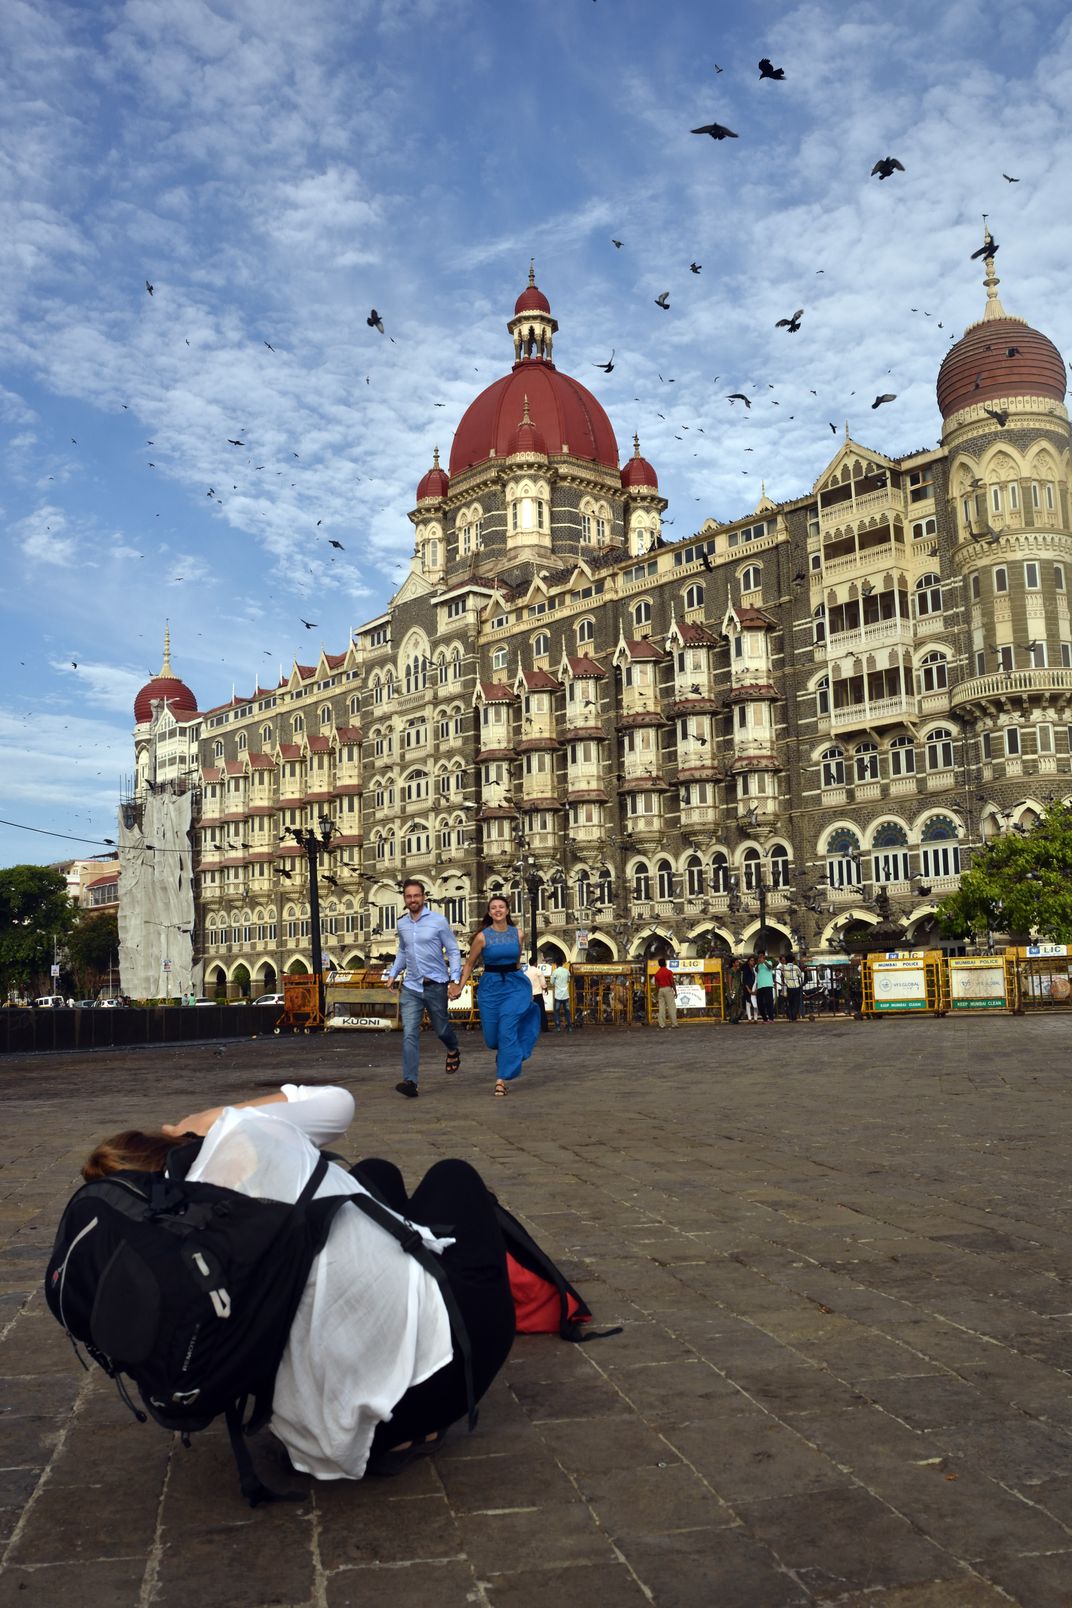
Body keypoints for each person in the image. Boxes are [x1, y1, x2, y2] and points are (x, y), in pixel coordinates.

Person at [80, 1084, 515, 1481]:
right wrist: (211, 1119)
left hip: (316, 1436)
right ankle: (412, 1411)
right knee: (453, 1175)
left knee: (376, 1173)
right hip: (431, 1393)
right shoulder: (237, 1136)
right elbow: (338, 1104)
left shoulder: (166, 1254)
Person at [457, 896, 543, 1096]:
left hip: (514, 985)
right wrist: (460, 986)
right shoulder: (482, 937)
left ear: (507, 911)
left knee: (507, 1027)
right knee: (492, 1039)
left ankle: (501, 1079)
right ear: (489, 912)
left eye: (501, 907)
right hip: (490, 986)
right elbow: (469, 963)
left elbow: (516, 963)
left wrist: (527, 990)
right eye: (493, 908)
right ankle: (509, 1053)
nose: (497, 910)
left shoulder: (518, 934)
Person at [386, 879, 463, 1098]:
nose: (413, 900)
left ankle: (453, 1048)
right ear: (404, 899)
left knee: (441, 1029)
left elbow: (453, 950)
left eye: (416, 896)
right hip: (411, 986)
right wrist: (393, 974)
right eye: (408, 896)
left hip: (435, 984)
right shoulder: (402, 924)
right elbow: (402, 951)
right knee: (409, 1032)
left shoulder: (438, 921)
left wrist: (454, 979)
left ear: (424, 897)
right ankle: (410, 1081)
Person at [652, 954, 678, 1029]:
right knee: (671, 1007)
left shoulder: (657, 973)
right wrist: (675, 991)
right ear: (665, 963)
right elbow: (672, 982)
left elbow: (656, 984)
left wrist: (658, 992)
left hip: (660, 989)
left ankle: (662, 1024)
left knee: (661, 1007)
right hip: (668, 989)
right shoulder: (669, 972)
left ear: (659, 965)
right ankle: (674, 1023)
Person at [549, 960, 573, 1031]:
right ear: (562, 964)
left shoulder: (555, 972)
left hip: (558, 995)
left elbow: (551, 982)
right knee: (567, 1011)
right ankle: (569, 1027)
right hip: (565, 994)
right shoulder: (567, 971)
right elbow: (568, 980)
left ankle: (558, 1027)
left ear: (556, 964)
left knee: (557, 1011)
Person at [782, 951, 804, 1021]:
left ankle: (790, 1017)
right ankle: (794, 1016)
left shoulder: (784, 968)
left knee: (790, 1002)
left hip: (789, 987)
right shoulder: (796, 967)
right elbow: (800, 975)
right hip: (796, 986)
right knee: (796, 1002)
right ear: (793, 960)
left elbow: (783, 976)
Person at [754, 951, 776, 1023]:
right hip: (760, 986)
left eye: (761, 956)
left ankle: (771, 1018)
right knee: (759, 1002)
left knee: (769, 1002)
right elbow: (756, 970)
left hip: (768, 985)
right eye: (759, 956)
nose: (760, 957)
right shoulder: (758, 965)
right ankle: (765, 1019)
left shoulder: (768, 962)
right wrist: (758, 962)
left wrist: (764, 962)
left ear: (764, 956)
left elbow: (770, 968)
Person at [741, 954, 758, 1022]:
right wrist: (748, 989)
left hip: (755, 987)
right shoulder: (746, 969)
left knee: (755, 1003)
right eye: (751, 960)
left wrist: (756, 989)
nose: (752, 962)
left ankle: (755, 1018)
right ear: (748, 961)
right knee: (748, 1002)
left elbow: (758, 979)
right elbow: (744, 980)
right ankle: (749, 1018)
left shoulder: (755, 969)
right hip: (748, 987)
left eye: (753, 961)